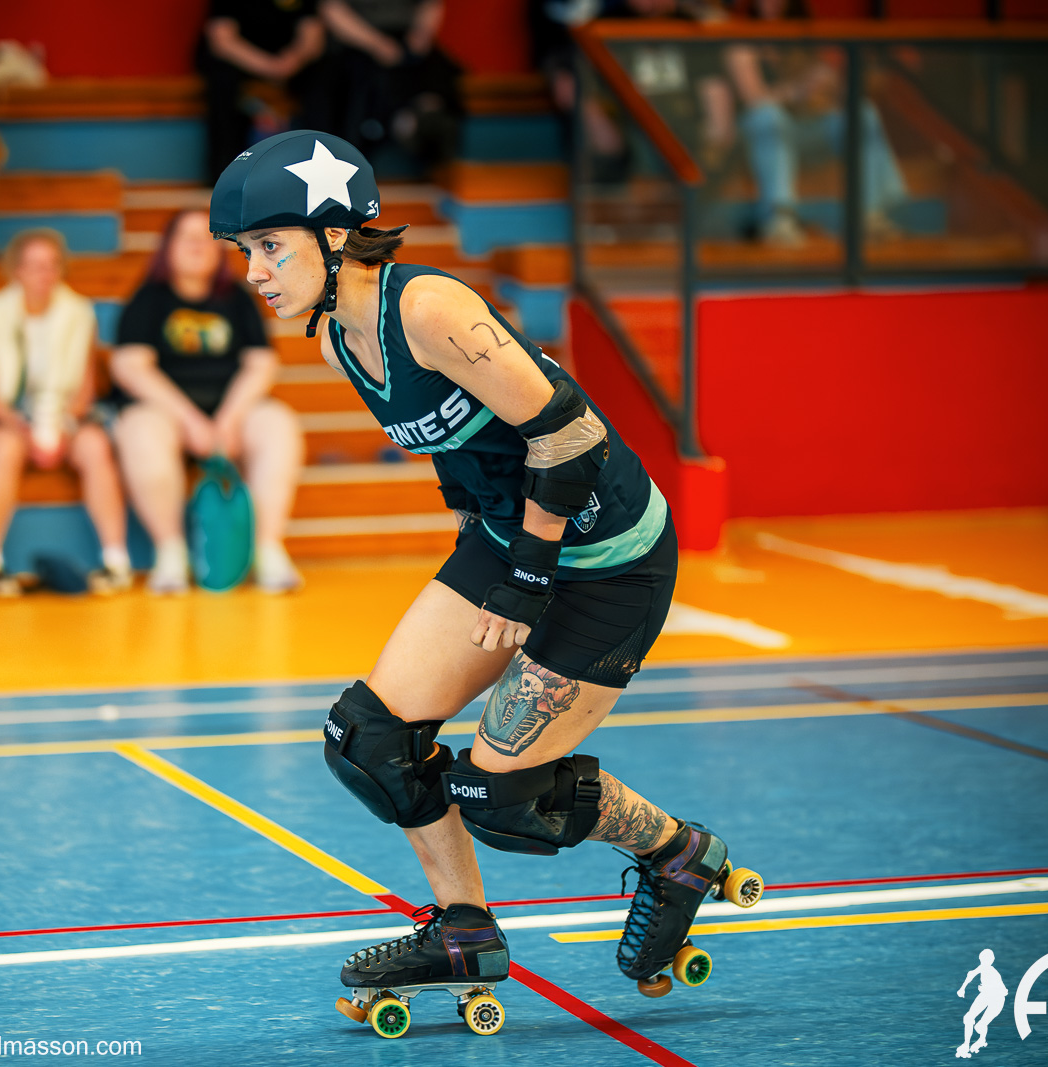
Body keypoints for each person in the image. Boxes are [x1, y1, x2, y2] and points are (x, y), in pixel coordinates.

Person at [211, 131, 764, 1011]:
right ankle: (463, 931)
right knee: (370, 739)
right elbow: (461, 449)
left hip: (609, 560)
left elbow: (572, 433)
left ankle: (675, 854)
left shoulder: (429, 308)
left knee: (500, 797)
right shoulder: (340, 343)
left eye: (271, 246)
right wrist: (488, 550)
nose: (255, 272)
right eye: (248, 251)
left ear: (336, 234)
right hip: (513, 541)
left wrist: (528, 577)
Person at [110, 209, 304, 594]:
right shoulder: (148, 299)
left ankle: (268, 548)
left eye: (207, 238)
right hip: (167, 413)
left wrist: (228, 420)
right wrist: (190, 421)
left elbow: (261, 364)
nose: (198, 245)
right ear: (168, 248)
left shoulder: (238, 299)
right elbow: (130, 367)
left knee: (279, 425)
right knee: (140, 430)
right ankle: (170, 553)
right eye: (187, 237)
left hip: (230, 411)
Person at [0, 229, 129, 596]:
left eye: (52, 265)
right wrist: (23, 429)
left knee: (95, 446)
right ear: (16, 270)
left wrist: (63, 427)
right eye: (35, 266)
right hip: (6, 418)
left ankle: (116, 562)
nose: (45, 274)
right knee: (3, 448)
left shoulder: (78, 312)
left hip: (64, 416)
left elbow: (85, 386)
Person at [710, 0, 906, 245]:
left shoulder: (803, 36)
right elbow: (755, 100)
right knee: (769, 116)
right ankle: (779, 219)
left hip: (805, 127)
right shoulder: (742, 40)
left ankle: (869, 215)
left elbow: (823, 100)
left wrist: (828, 87)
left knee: (863, 112)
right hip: (760, 137)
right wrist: (796, 91)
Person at [317, 1, 461, 172]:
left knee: (440, 77)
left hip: (408, 42)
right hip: (355, 44)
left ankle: (424, 121)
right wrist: (375, 43)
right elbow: (331, 9)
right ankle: (392, 127)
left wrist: (422, 33)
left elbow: (430, 4)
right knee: (360, 84)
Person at [197, 0, 327, 183]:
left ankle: (321, 171)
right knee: (222, 81)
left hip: (292, 65)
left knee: (326, 75)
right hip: (241, 63)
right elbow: (222, 41)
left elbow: (313, 37)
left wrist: (291, 62)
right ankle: (225, 175)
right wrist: (270, 67)